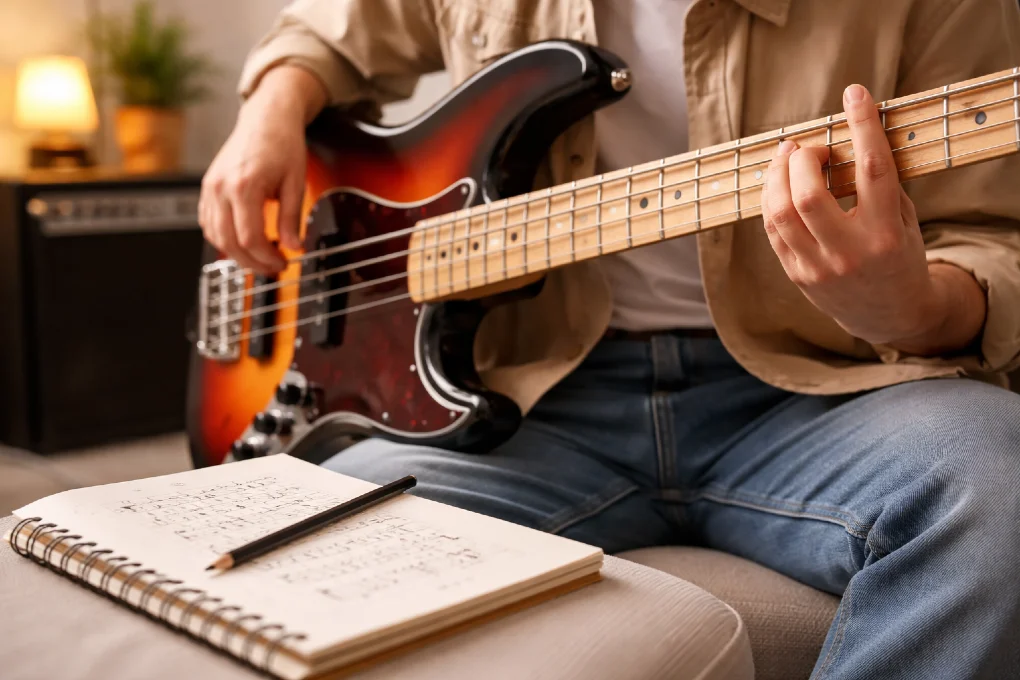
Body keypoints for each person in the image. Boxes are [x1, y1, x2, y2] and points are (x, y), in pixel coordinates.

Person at [199, 1, 1020, 677]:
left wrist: (910, 307)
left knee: (999, 482)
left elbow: (996, 240)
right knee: (299, 537)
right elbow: (330, 29)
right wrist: (270, 108)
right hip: (534, 406)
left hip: (820, 395)